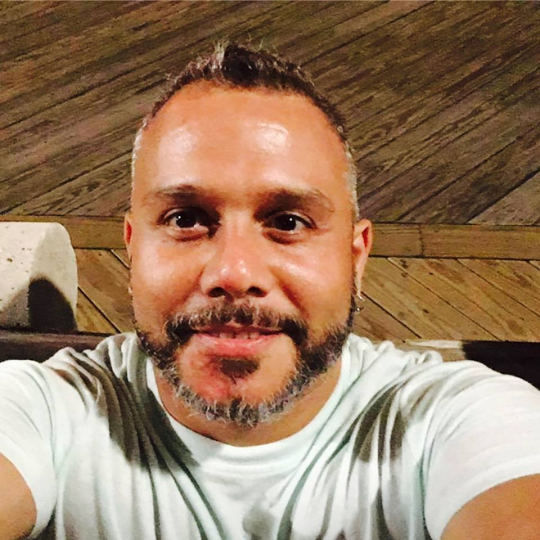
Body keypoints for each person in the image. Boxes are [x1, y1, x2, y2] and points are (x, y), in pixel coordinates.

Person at [1, 43, 539, 540]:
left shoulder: (457, 420)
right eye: (186, 219)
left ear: (355, 257)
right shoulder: (43, 410)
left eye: (288, 221)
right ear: (133, 249)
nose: (234, 272)